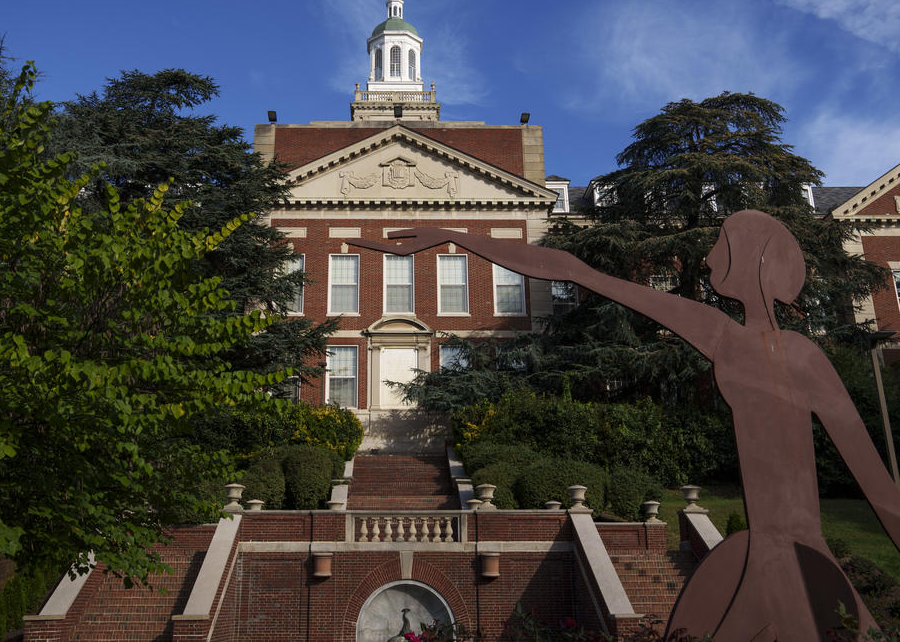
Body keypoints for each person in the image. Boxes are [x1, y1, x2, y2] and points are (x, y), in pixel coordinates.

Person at [349, 210, 900, 640]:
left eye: (721, 245)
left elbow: (871, 475)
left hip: (793, 557)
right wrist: (453, 236)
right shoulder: (720, 333)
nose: (707, 258)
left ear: (754, 260)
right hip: (757, 549)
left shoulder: (796, 355)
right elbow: (572, 270)